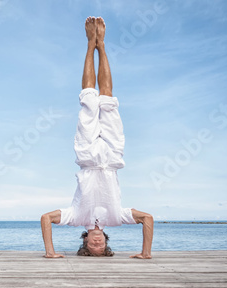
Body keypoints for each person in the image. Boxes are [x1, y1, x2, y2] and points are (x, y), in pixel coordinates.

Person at [40, 16, 154, 259]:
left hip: (88, 156)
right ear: (106, 242)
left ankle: (90, 44)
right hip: (113, 156)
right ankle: (102, 45)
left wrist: (50, 252)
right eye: (101, 247)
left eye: (93, 247)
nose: (97, 244)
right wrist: (146, 253)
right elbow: (148, 218)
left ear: (85, 243)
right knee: (109, 100)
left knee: (89, 100)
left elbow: (46, 218)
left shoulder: (75, 217)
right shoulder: (117, 218)